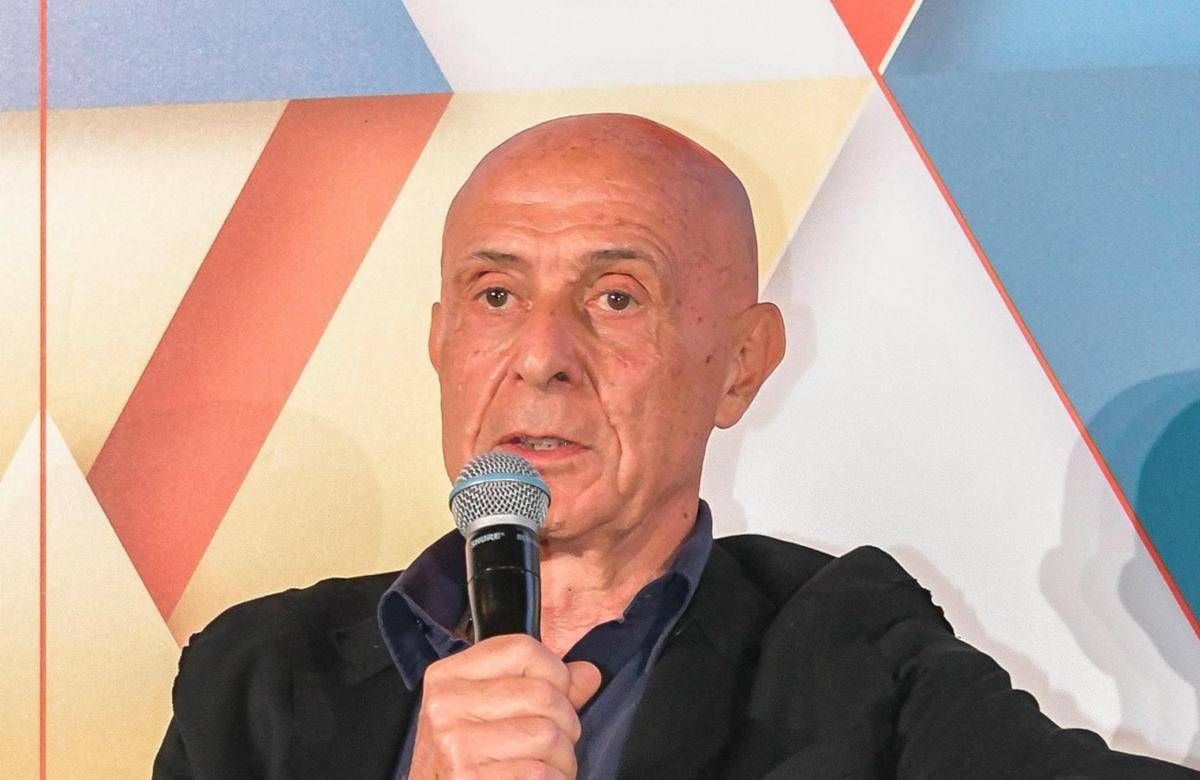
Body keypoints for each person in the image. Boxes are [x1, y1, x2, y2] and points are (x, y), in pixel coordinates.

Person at [153, 114, 1196, 779]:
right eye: (496, 296)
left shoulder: (847, 654)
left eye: (616, 297)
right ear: (440, 344)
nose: (541, 357)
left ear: (740, 365)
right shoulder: (253, 680)